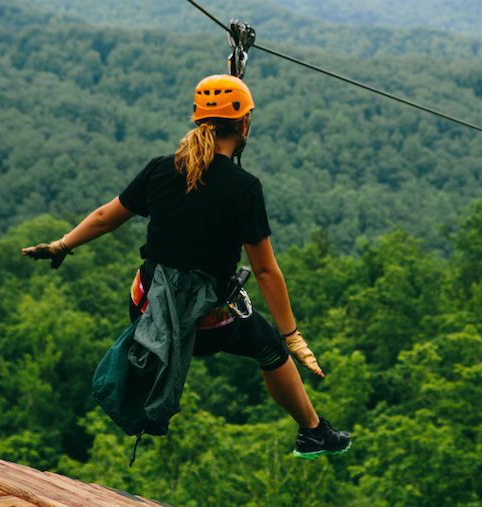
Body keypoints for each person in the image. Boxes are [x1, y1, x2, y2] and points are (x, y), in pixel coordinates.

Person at [21, 74, 350, 460]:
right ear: (244, 125)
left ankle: (310, 429)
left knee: (167, 279)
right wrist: (291, 334)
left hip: (145, 307)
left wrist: (62, 244)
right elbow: (264, 271)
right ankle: (312, 432)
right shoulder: (243, 188)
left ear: (198, 121)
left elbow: (105, 217)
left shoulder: (162, 168)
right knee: (270, 349)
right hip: (203, 326)